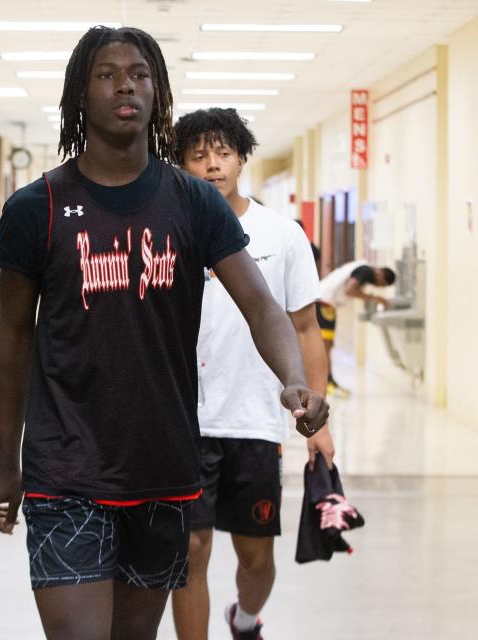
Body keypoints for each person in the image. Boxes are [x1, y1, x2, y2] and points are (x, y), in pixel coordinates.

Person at [0, 26, 329, 640]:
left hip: (163, 466)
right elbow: (12, 340)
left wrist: (294, 381)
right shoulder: (38, 207)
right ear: (80, 95)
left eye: (139, 74)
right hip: (65, 467)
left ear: (158, 93)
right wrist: (7, 461)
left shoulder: (193, 201)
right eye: (107, 74)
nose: (126, 86)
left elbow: (262, 307)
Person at [170, 107, 335, 640]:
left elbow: (305, 328)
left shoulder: (281, 234)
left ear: (242, 159)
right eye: (198, 155)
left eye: (222, 153)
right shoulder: (169, 232)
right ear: (181, 165)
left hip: (255, 420)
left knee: (256, 556)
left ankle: (244, 619)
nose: (212, 165)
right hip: (184, 420)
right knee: (190, 549)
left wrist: (317, 419)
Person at [317, 260, 396, 394]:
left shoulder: (362, 268)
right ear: (380, 274)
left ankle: (326, 380)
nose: (377, 286)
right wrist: (375, 298)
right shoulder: (365, 271)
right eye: (380, 284)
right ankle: (326, 382)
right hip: (324, 302)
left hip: (325, 302)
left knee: (326, 345)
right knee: (325, 345)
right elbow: (349, 290)